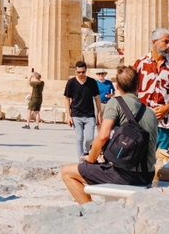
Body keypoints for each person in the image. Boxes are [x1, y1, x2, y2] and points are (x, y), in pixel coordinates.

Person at [60, 65, 158, 204]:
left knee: (67, 172)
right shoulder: (150, 112)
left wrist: (91, 158)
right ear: (139, 85)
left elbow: (103, 136)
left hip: (126, 176)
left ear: (117, 86)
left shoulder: (116, 102)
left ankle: (90, 211)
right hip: (147, 175)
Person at [133, 28, 169, 150]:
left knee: (164, 162)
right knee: (142, 162)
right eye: (166, 42)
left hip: (168, 123)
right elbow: (130, 91)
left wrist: (167, 108)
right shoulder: (140, 64)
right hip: (143, 122)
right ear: (154, 42)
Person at [64, 61, 101, 159]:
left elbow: (97, 98)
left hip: (89, 115)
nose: (81, 74)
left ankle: (86, 151)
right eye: (79, 72)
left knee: (89, 138)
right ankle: (81, 161)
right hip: (76, 114)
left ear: (86, 71)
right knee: (79, 139)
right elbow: (67, 99)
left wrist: (99, 114)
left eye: (83, 72)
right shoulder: (71, 82)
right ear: (75, 70)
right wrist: (68, 115)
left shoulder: (92, 82)